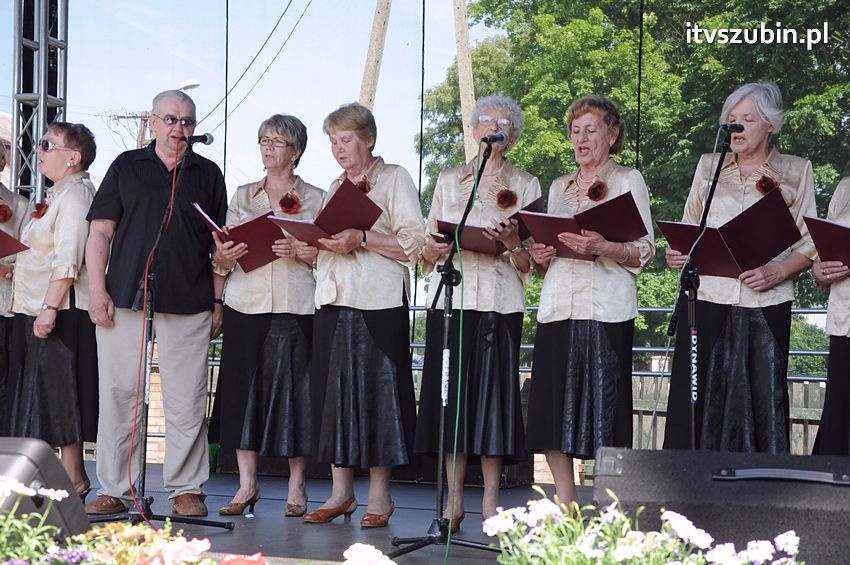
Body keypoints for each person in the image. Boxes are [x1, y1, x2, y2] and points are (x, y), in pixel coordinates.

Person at [84, 90, 227, 517]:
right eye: (170, 120)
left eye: (186, 121)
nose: (178, 129)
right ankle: (114, 487)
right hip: (126, 295)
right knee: (119, 394)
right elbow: (100, 233)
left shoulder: (208, 174)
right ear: (152, 121)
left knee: (187, 397)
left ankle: (186, 489)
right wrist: (96, 291)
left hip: (190, 297)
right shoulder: (127, 166)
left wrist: (219, 299)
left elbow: (221, 245)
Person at [663, 82, 816, 453]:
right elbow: (688, 227)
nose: (737, 127)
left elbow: (810, 242)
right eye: (731, 120)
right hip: (708, 298)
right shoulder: (708, 166)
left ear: (771, 126)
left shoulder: (796, 170)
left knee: (762, 404)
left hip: (767, 302)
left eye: (747, 119)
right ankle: (689, 490)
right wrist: (677, 253)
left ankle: (761, 496)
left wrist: (778, 272)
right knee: (698, 403)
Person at [414, 95, 540, 528]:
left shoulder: (526, 184)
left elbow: (531, 265)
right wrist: (433, 248)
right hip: (453, 302)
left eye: (502, 121)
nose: (492, 125)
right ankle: (453, 501)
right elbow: (425, 252)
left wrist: (510, 245)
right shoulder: (449, 181)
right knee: (451, 404)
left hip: (500, 305)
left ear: (513, 134)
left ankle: (489, 500)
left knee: (491, 405)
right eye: (484, 119)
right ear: (473, 129)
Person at [301, 102, 425, 528]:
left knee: (379, 396)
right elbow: (329, 243)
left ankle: (379, 497)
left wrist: (363, 238)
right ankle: (340, 494)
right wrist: (312, 246)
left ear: (368, 139)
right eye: (333, 141)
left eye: (346, 140)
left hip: (379, 301)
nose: (338, 149)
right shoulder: (335, 184)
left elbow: (415, 242)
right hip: (334, 299)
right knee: (335, 395)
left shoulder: (394, 178)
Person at [526, 96, 655, 504]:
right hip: (558, 307)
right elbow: (546, 256)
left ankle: (610, 505)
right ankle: (566, 504)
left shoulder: (628, 179)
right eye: (575, 131)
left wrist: (606, 246)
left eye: (591, 130)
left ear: (612, 135)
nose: (581, 139)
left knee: (606, 411)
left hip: (606, 309)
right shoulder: (558, 187)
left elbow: (645, 250)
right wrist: (539, 256)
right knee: (550, 410)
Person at [209, 114, 323, 517]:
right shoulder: (242, 195)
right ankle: (246, 485)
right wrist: (221, 258)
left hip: (298, 304)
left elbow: (328, 256)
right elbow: (223, 255)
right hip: (247, 303)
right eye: (263, 140)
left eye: (276, 141)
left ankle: (297, 486)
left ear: (296, 150)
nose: (267, 147)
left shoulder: (317, 196)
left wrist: (305, 252)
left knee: (298, 396)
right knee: (243, 394)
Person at [6, 122, 98, 500]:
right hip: (37, 306)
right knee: (44, 396)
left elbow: (68, 257)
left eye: (47, 144)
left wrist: (49, 307)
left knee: (61, 396)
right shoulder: (56, 194)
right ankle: (61, 478)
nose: (39, 150)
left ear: (73, 158)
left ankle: (74, 478)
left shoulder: (76, 195)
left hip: (59, 309)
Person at [811, 176, 850, 456]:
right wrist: (819, 270)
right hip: (844, 324)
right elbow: (821, 256)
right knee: (838, 421)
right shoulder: (845, 188)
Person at [0, 141, 30, 436]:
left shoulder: (19, 206)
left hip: (4, 307)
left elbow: (32, 257)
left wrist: (7, 271)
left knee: (5, 387)